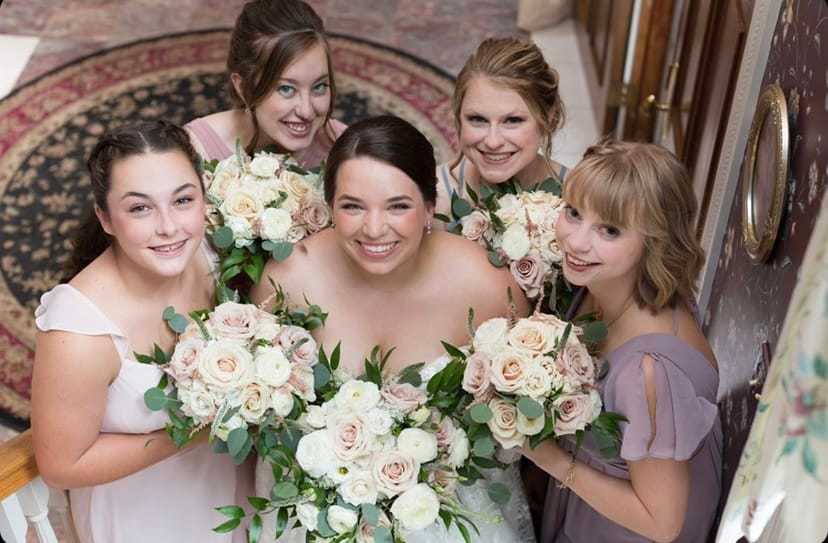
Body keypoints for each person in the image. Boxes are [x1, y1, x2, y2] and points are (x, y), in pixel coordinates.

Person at [250, 115, 535, 543]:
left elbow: (522, 416)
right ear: (330, 207)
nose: (374, 228)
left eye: (398, 205)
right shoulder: (290, 280)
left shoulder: (485, 284)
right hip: (318, 519)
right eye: (352, 206)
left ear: (429, 206)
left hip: (447, 517)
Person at [31, 121, 248, 543]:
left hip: (232, 491)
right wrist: (196, 430)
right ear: (105, 218)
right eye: (140, 208)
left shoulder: (211, 253)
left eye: (183, 200)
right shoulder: (80, 330)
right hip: (145, 522)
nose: (169, 227)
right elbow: (60, 464)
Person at [521, 141, 723, 543]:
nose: (576, 243)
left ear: (655, 238)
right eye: (574, 213)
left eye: (609, 230)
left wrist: (551, 461)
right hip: (585, 507)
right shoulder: (610, 285)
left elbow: (662, 524)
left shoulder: (647, 372)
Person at [185, 0, 346, 167]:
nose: (307, 112)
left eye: (319, 87)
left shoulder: (344, 148)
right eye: (286, 89)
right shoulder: (196, 152)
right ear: (243, 87)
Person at [435, 37, 566, 223]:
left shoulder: (581, 198)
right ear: (458, 117)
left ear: (548, 119)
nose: (492, 142)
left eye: (512, 120)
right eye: (477, 119)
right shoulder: (432, 197)